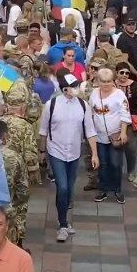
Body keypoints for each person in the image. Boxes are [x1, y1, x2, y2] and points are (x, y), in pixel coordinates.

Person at [39, 72, 99, 243]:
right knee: (63, 187)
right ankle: (63, 224)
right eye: (73, 87)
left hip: (74, 152)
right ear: (64, 89)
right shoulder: (51, 105)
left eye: (77, 86)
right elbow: (43, 131)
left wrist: (94, 154)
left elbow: (90, 131)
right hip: (55, 151)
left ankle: (62, 216)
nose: (76, 89)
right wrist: (41, 152)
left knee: (69, 189)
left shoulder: (83, 105)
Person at [87, 67, 130, 203]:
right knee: (103, 164)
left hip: (115, 135)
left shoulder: (119, 95)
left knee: (116, 163)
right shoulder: (94, 93)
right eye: (103, 81)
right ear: (98, 81)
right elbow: (91, 112)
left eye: (109, 81)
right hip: (99, 136)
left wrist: (123, 132)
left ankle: (117, 189)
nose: (106, 84)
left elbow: (125, 113)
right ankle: (103, 189)